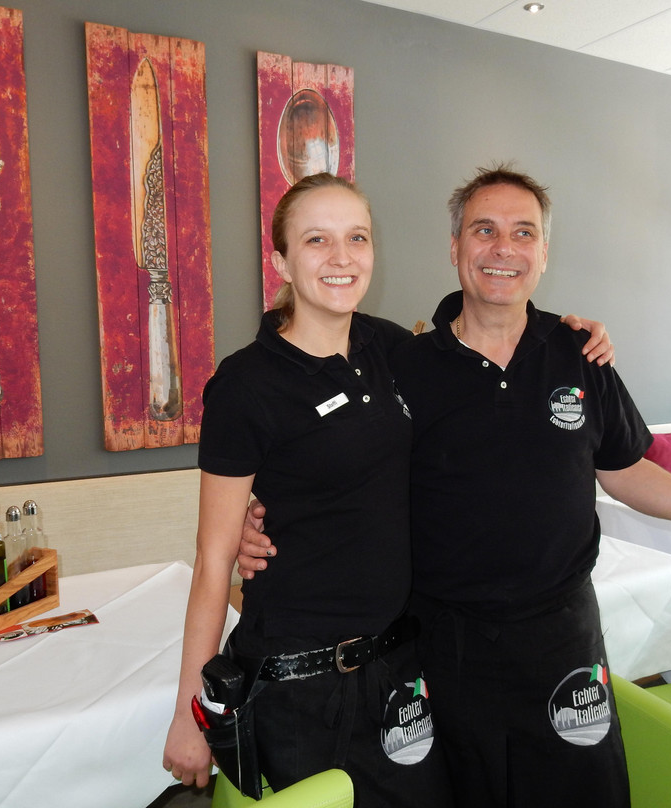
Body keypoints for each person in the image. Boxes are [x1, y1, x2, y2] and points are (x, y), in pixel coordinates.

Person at [239, 163, 671, 807]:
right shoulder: (403, 365)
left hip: (562, 638)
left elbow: (625, 469)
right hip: (440, 644)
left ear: (544, 253)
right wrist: (262, 514)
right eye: (484, 230)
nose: (504, 248)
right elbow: (341, 463)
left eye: (523, 232)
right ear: (455, 247)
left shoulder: (581, 353)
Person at [161, 171, 610, 802]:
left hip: (400, 670)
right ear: (281, 261)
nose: (341, 257)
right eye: (317, 240)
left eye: (357, 237)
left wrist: (568, 333)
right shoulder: (246, 384)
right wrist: (191, 711)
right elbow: (212, 560)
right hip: (302, 682)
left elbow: (474, 364)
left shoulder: (389, 349)